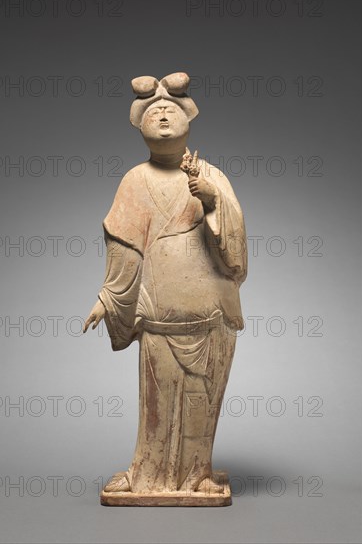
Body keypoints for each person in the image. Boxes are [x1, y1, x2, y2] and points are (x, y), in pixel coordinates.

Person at [83, 72, 247, 497]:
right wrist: (109, 298)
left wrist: (212, 201)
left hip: (208, 318)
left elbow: (237, 257)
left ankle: (198, 475)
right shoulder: (136, 181)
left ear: (189, 120)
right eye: (152, 111)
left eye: (170, 108)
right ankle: (150, 476)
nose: (161, 114)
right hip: (159, 320)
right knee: (156, 410)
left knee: (200, 404)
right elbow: (126, 248)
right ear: (139, 126)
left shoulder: (211, 176)